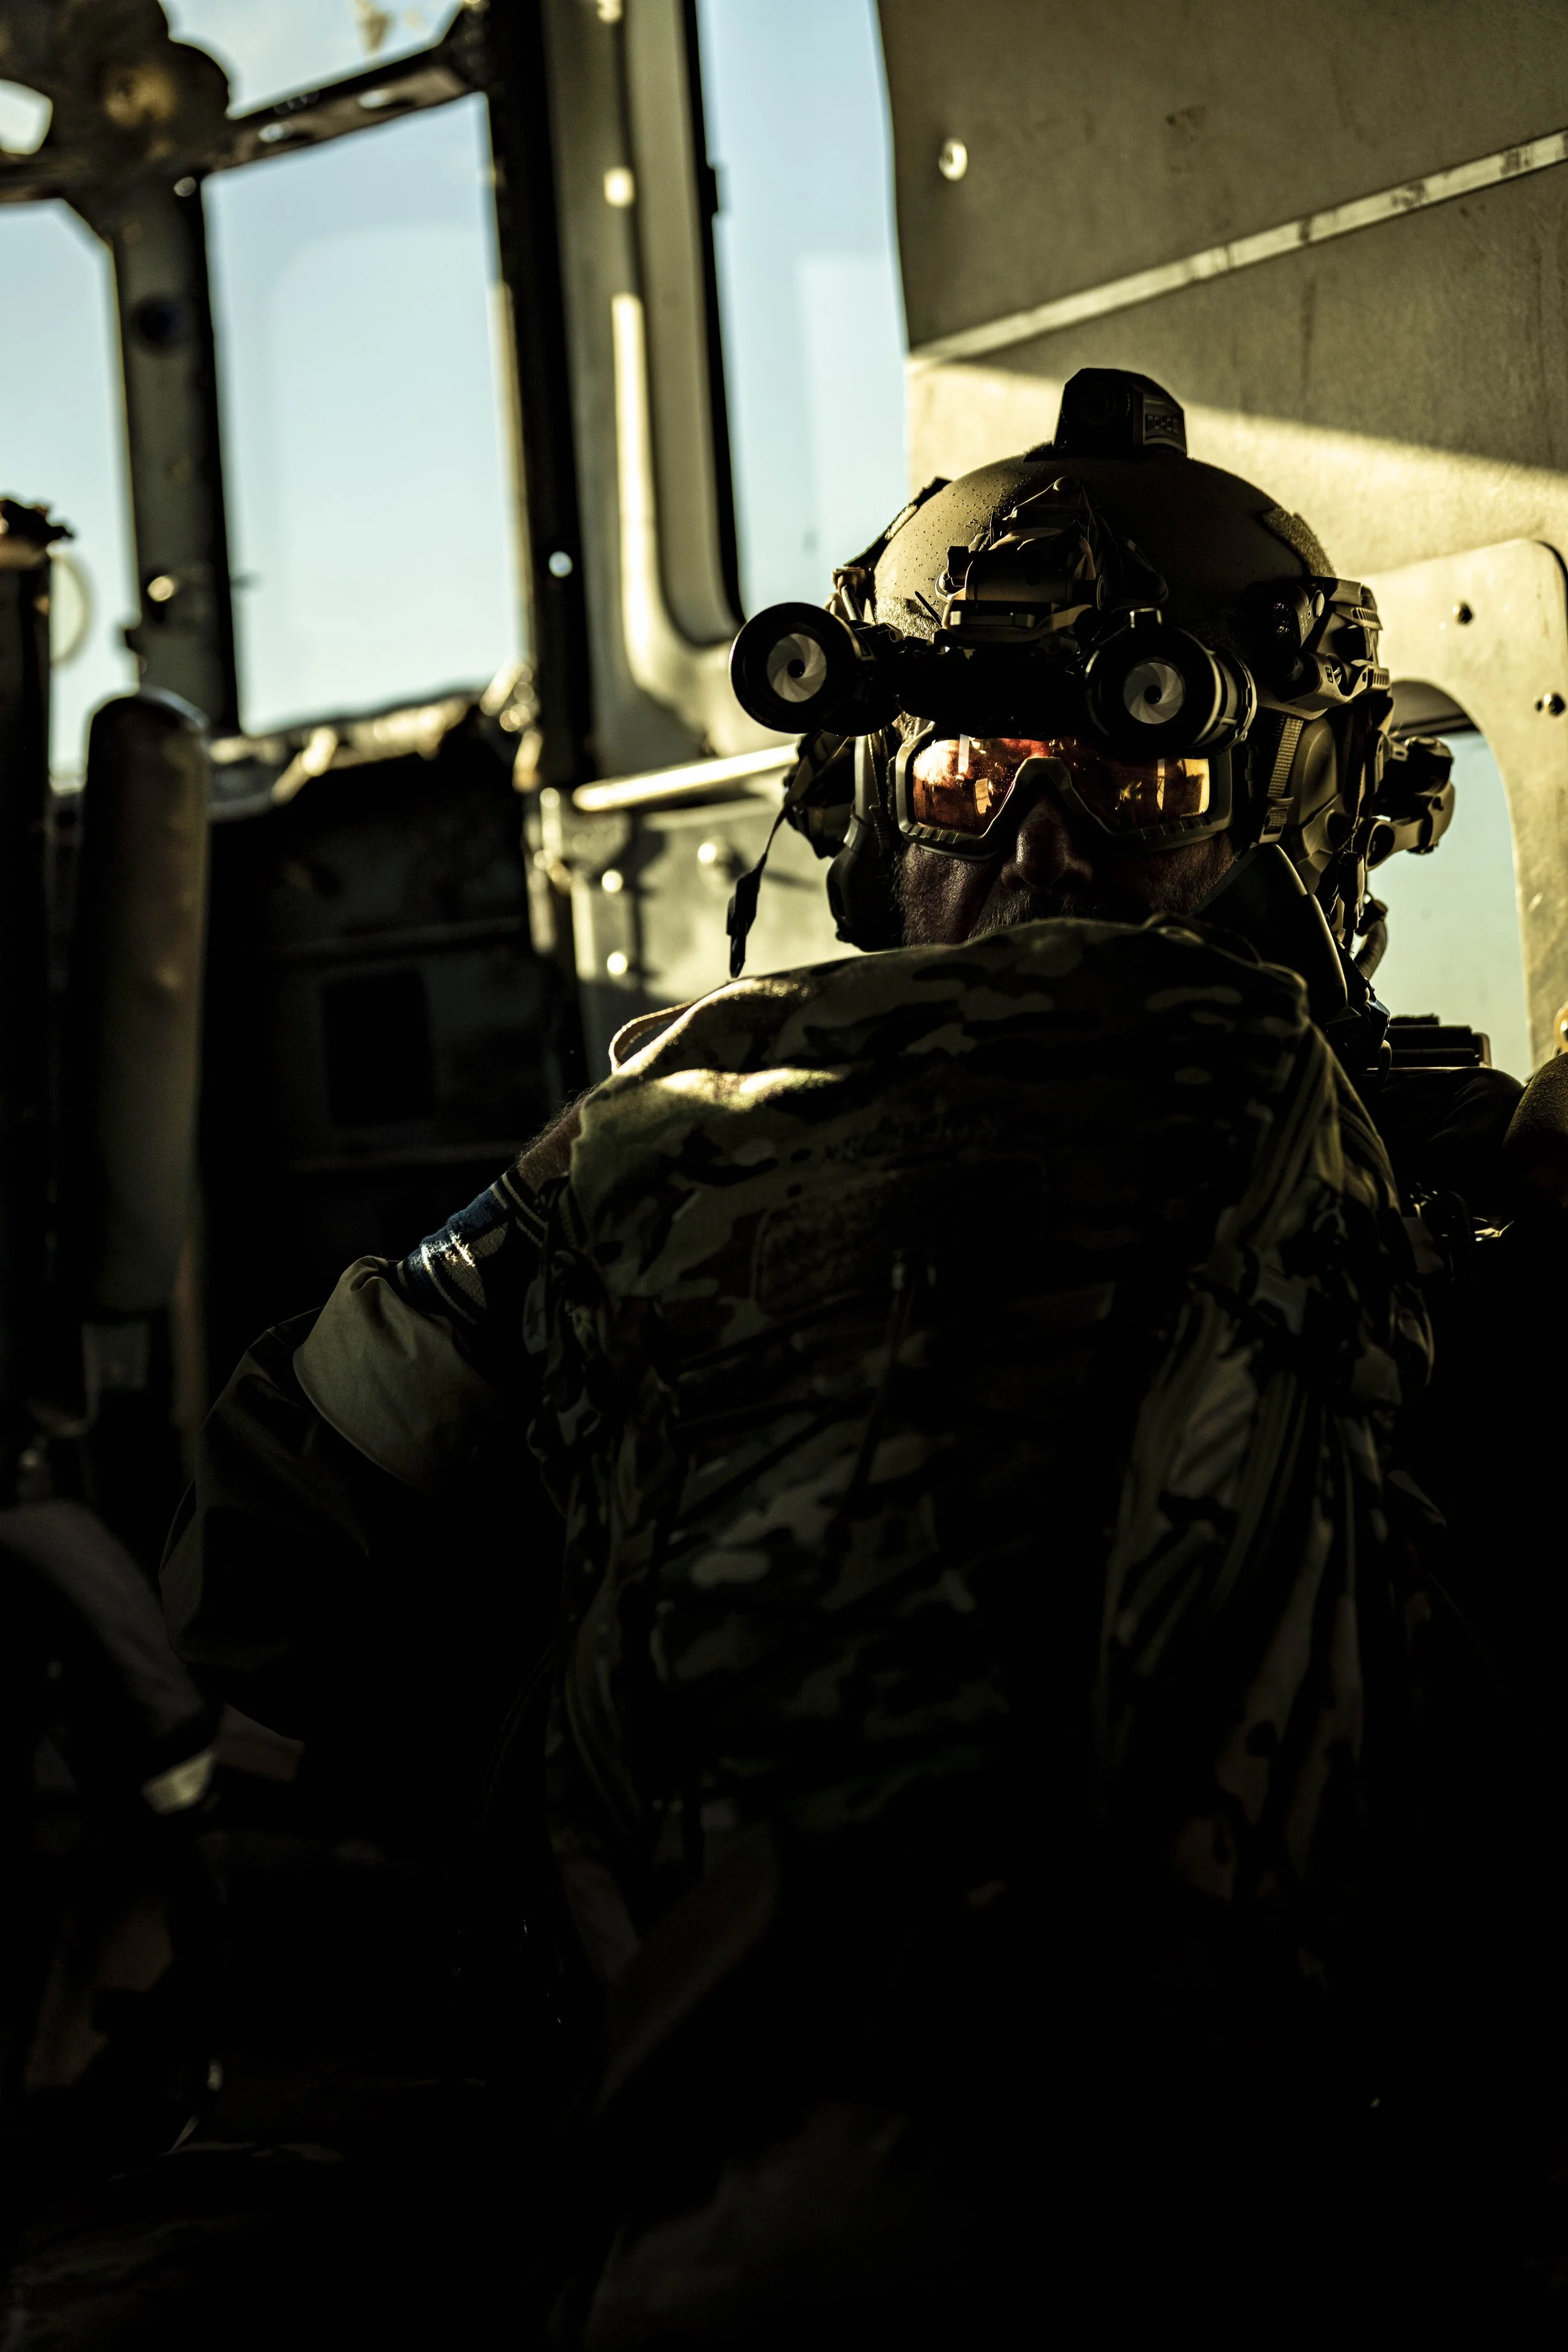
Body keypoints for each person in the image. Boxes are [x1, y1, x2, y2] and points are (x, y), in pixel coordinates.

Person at [162, 369, 1568, 2332]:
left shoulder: (1469, 1219)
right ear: (857, 809)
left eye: (1140, 784)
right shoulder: (661, 1154)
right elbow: (283, 1544)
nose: (1033, 855)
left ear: (1295, 825)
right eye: (962, 777)